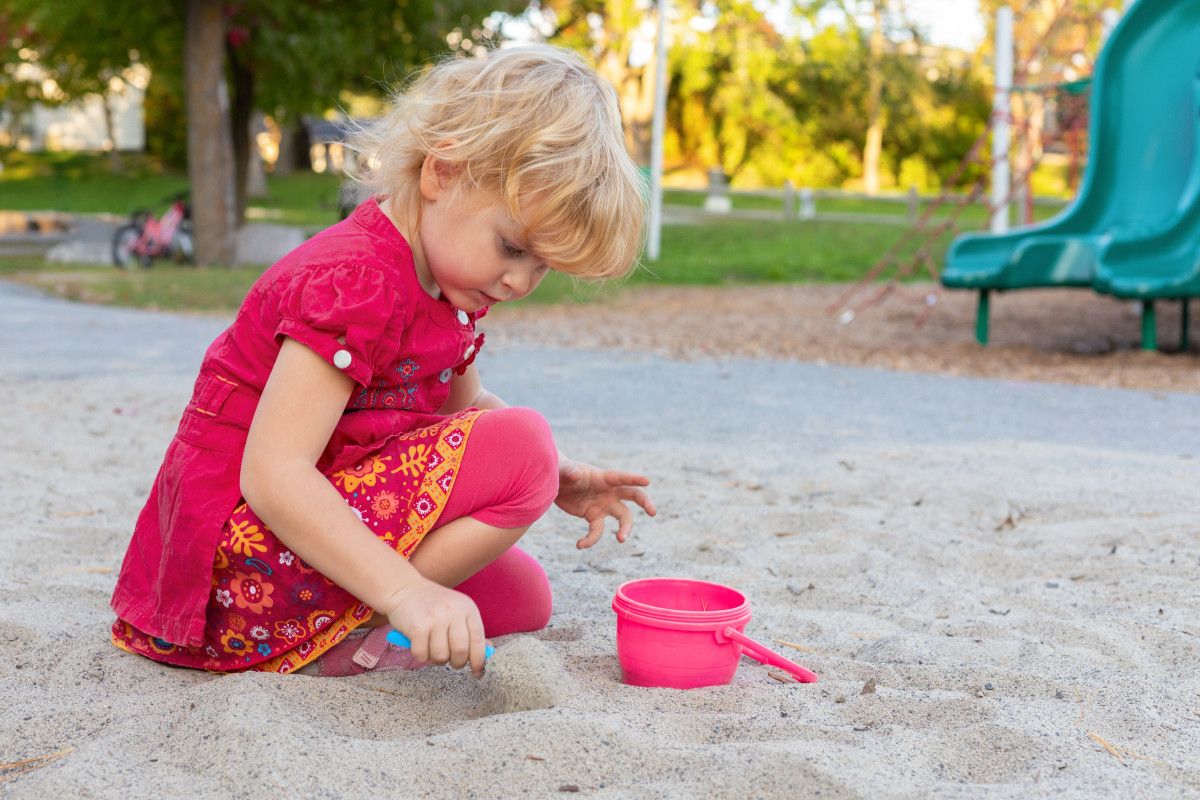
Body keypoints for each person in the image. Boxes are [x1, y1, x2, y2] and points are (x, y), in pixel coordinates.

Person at [109, 45, 655, 678]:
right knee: (524, 445)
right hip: (238, 573)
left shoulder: (447, 290)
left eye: (542, 266)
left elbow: (465, 412)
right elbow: (274, 474)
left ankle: (356, 619)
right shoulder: (356, 282)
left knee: (522, 599)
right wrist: (405, 594)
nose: (518, 282)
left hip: (292, 552)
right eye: (511, 247)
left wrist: (559, 476)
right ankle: (346, 635)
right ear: (441, 172)